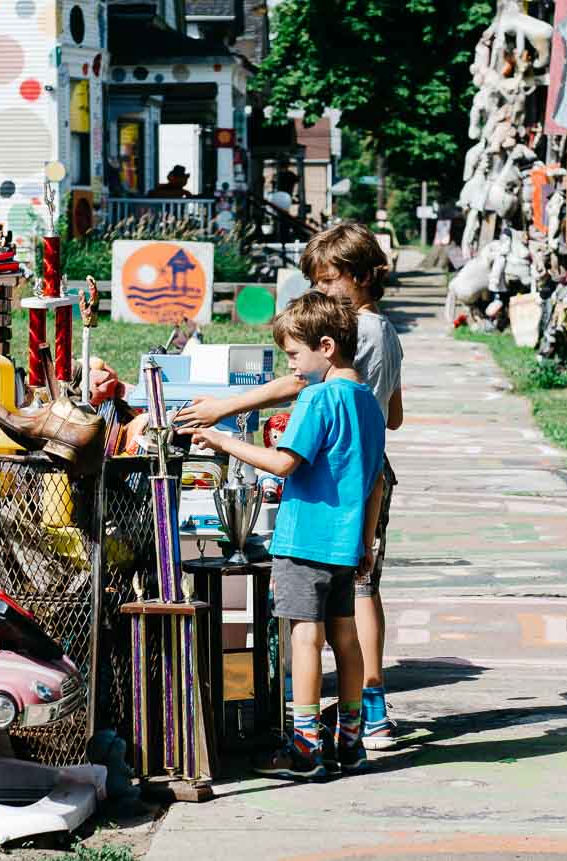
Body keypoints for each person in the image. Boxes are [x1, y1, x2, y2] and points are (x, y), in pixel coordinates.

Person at [175, 221, 405, 750]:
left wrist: (225, 415)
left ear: (362, 276)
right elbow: (393, 415)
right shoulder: (387, 336)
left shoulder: (350, 344)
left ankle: (320, 732)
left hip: (325, 497)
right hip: (367, 480)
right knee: (359, 596)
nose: (322, 293)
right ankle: (364, 715)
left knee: (314, 624)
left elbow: (301, 391)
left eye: (329, 283)